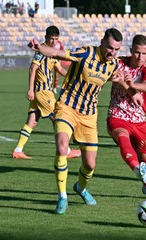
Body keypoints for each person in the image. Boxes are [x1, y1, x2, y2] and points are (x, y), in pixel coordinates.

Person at [28, 28, 123, 214]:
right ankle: (62, 197)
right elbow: (55, 52)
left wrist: (120, 82)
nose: (113, 52)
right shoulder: (86, 52)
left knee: (90, 164)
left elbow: (110, 77)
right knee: (62, 148)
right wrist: (40, 48)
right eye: (110, 47)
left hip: (89, 115)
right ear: (102, 42)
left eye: (116, 49)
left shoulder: (113, 64)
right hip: (67, 107)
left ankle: (80, 187)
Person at [107, 34, 146, 200]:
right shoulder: (119, 63)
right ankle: (136, 168)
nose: (140, 57)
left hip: (139, 120)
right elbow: (108, 73)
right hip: (117, 114)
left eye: (144, 53)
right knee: (122, 136)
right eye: (137, 53)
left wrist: (129, 84)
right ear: (131, 51)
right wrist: (115, 78)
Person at [12, 26, 80, 160]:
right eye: (51, 39)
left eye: (56, 39)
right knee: (58, 118)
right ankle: (65, 150)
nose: (54, 42)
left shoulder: (52, 52)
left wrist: (73, 77)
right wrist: (30, 89)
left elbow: (59, 68)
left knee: (32, 121)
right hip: (43, 92)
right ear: (46, 37)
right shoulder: (41, 51)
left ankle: (18, 150)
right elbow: (33, 69)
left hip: (43, 92)